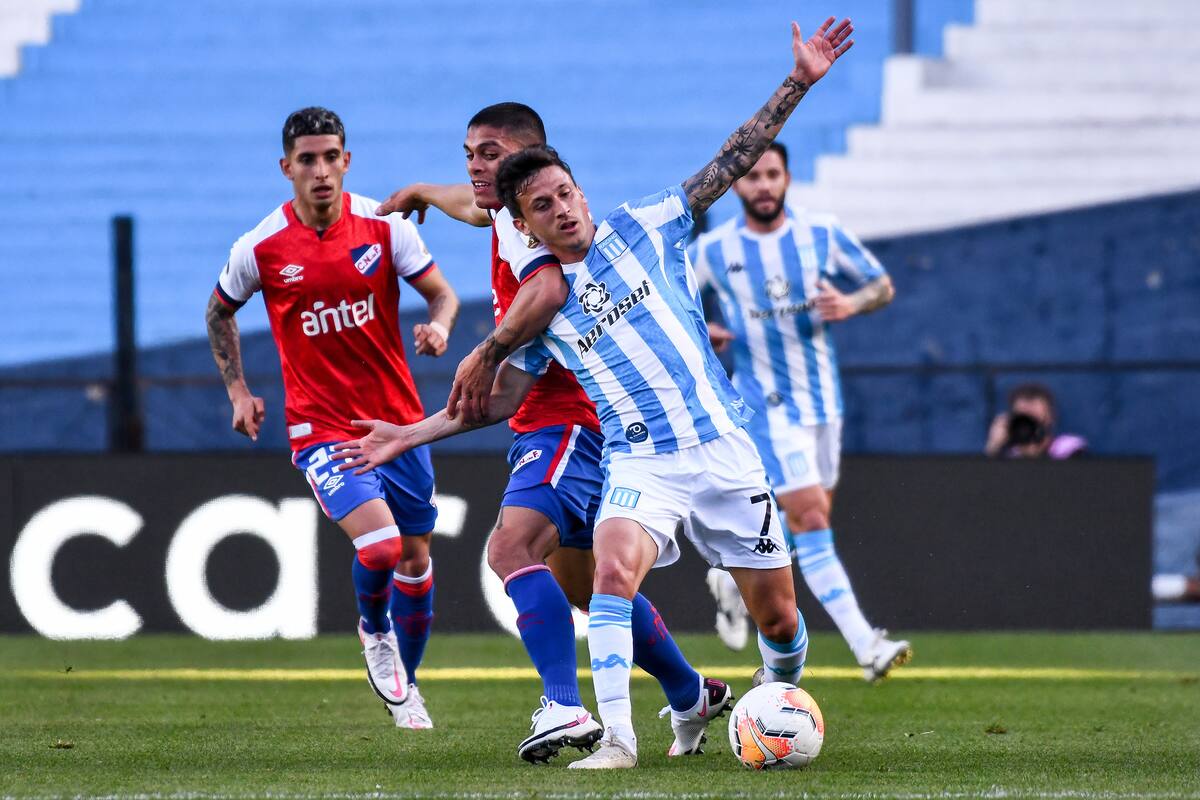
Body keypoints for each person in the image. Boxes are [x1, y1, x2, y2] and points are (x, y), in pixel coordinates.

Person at [338, 15, 855, 769]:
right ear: (523, 221)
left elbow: (729, 159)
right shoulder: (539, 291)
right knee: (606, 577)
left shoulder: (644, 223)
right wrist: (409, 433)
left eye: (566, 194)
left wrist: (798, 83)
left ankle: (771, 697)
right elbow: (507, 394)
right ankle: (615, 739)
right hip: (640, 461)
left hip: (722, 447)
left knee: (777, 616)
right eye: (542, 206)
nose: (562, 209)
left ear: (579, 188)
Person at [369, 103, 729, 763]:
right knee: (588, 589)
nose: (474, 167)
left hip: (564, 418)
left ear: (525, 162)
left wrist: (488, 348)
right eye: (468, 153)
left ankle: (565, 706)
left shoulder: (526, 233)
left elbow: (547, 288)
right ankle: (688, 692)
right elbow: (474, 206)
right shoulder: (507, 210)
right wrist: (423, 192)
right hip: (580, 420)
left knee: (510, 550)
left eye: (488, 153)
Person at [204, 107, 458, 729]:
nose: (321, 171)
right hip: (320, 428)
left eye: (331, 157)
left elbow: (443, 294)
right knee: (381, 548)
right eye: (307, 160)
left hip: (399, 426)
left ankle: (407, 687)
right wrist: (238, 390)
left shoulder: (385, 228)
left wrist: (441, 328)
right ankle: (375, 633)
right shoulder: (259, 248)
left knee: (416, 560)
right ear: (286, 167)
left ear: (347, 160)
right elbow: (217, 313)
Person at [690, 142, 912, 682]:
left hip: (823, 403)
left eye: (773, 175)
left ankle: (730, 580)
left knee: (808, 522)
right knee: (811, 518)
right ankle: (866, 645)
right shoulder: (715, 250)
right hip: (765, 402)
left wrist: (851, 304)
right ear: (738, 185)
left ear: (787, 178)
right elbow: (681, 305)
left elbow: (881, 286)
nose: (763, 185)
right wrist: (706, 333)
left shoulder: (821, 234)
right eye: (753, 177)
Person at [985, 383, 1088, 460]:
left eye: (1035, 417)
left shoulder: (1069, 449)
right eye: (1024, 419)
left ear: (1051, 418)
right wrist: (993, 447)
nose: (1030, 426)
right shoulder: (1008, 457)